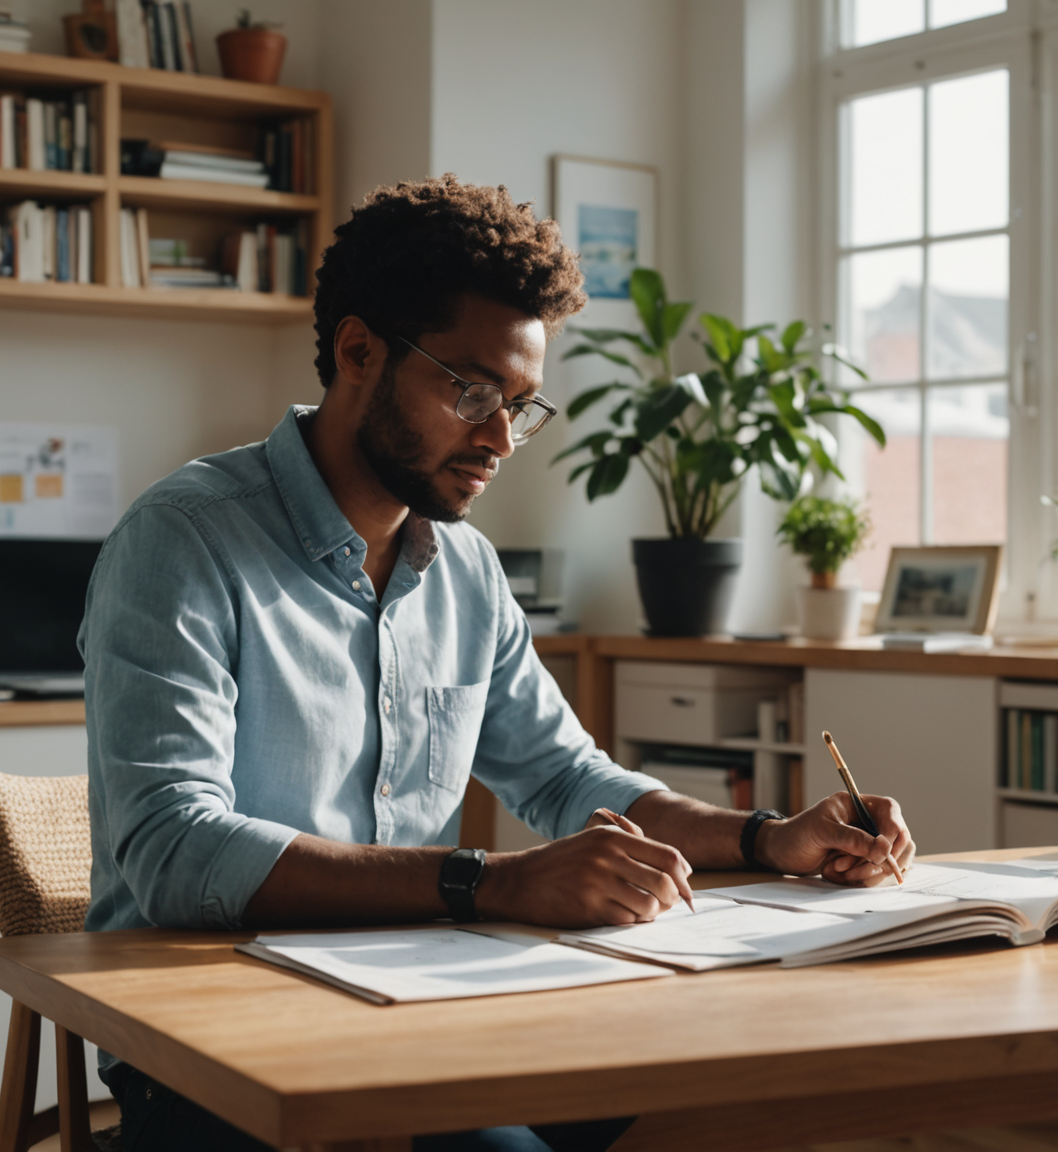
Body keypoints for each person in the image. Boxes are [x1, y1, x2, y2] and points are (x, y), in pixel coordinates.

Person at [79, 175, 917, 1152]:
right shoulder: (183, 540)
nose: (501, 440)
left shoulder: (465, 569)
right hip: (210, 1038)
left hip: (426, 1002)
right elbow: (178, 854)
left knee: (721, 1092)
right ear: (359, 353)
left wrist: (773, 837)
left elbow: (568, 779)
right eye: (471, 391)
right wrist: (491, 881)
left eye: (522, 406)